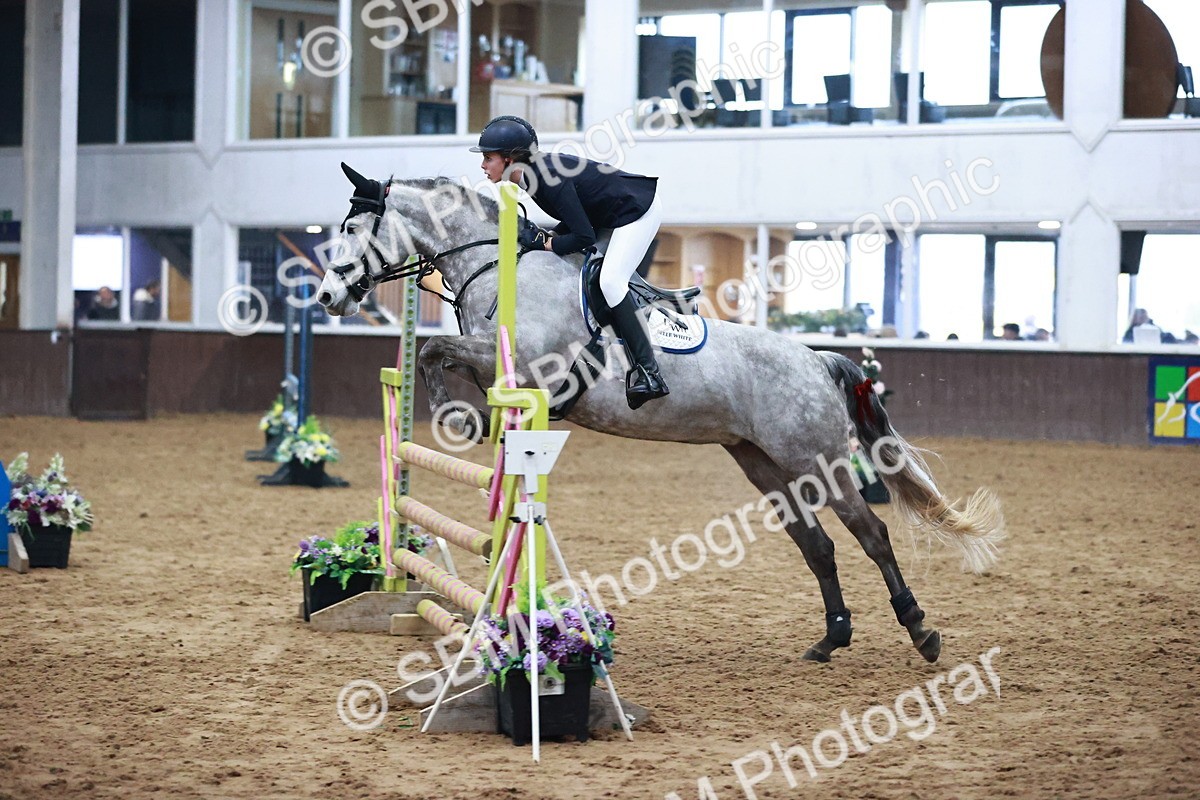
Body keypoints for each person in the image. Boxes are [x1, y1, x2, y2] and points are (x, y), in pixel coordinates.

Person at [471, 115, 668, 409]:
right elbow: (574, 220)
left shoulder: (543, 178)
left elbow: (584, 236)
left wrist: (549, 242)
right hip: (608, 214)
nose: (483, 166)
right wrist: (548, 239)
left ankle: (650, 372)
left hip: (636, 212)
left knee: (611, 282)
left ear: (511, 159)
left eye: (489, 158)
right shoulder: (532, 176)